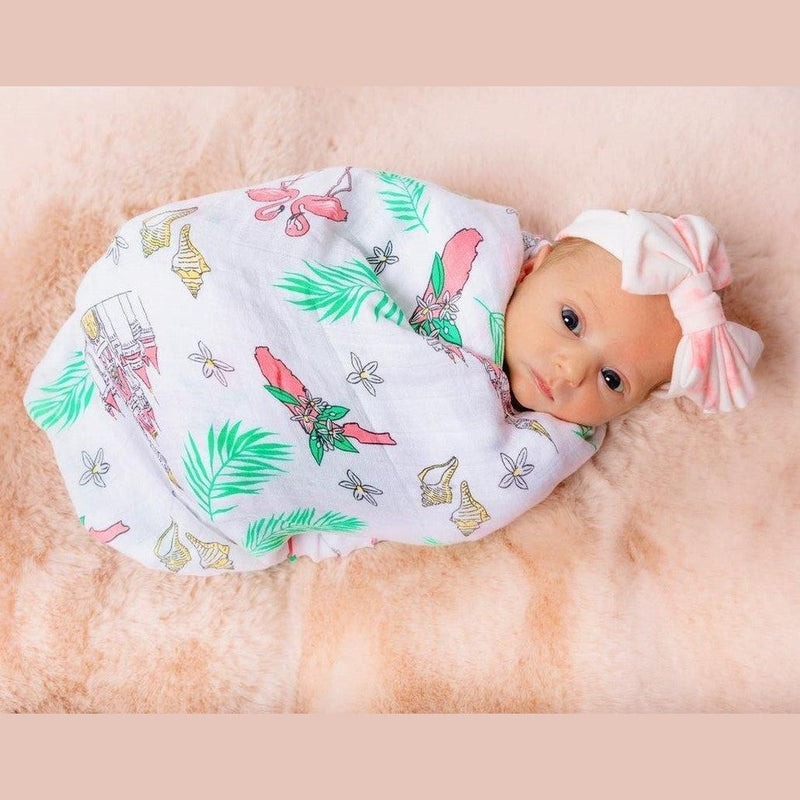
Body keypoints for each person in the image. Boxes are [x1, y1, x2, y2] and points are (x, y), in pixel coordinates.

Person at [503, 209, 764, 426]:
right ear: (529, 270)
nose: (573, 371)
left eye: (611, 380)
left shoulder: (553, 454)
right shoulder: (480, 257)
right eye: (570, 321)